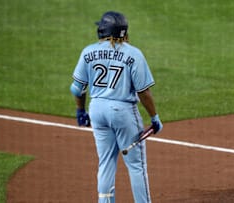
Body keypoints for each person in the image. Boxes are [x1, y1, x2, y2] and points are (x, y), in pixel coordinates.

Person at [70, 11, 163, 203]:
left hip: (97, 110)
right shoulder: (134, 54)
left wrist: (81, 110)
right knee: (136, 165)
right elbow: (144, 92)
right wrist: (154, 118)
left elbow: (77, 88)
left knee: (105, 163)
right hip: (123, 112)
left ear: (102, 30)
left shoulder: (88, 52)